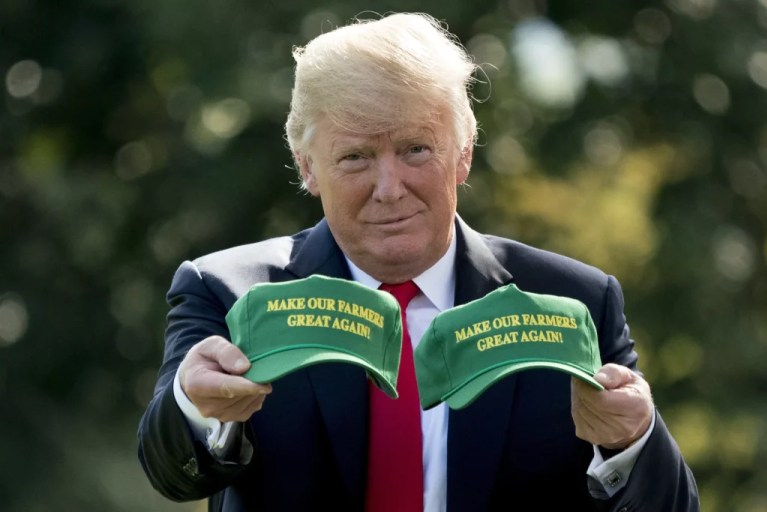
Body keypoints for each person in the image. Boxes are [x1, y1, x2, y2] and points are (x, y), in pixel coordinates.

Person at [137, 12, 700, 512]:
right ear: (307, 166)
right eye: (355, 156)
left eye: (415, 149)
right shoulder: (227, 292)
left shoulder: (573, 301)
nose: (389, 188)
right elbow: (172, 474)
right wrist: (193, 406)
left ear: (463, 154)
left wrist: (631, 442)